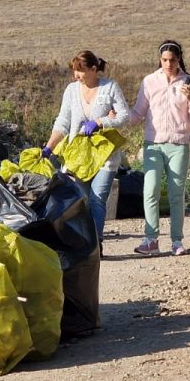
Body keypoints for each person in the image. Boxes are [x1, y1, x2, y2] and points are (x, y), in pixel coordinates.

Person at [41, 50, 131, 241]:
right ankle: (82, 244)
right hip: (78, 157)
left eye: (80, 71)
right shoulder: (72, 90)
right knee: (81, 201)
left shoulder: (110, 87)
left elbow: (124, 115)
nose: (76, 75)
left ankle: (96, 244)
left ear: (93, 69)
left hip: (104, 156)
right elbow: (63, 121)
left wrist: (100, 122)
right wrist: (49, 147)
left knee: (97, 199)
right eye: (74, 71)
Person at [127, 40, 190, 256]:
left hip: (179, 144)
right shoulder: (149, 81)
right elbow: (138, 113)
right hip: (153, 143)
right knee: (149, 191)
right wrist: (117, 118)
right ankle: (151, 239)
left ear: (179, 59)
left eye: (172, 59)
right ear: (159, 60)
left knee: (176, 194)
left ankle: (177, 241)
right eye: (165, 60)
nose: (168, 64)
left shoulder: (188, 82)